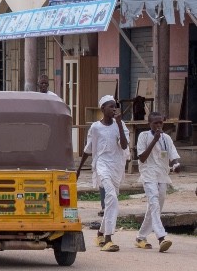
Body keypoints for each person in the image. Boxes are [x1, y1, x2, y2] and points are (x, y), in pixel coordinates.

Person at [77, 95, 130, 252]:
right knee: (112, 197)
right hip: (101, 165)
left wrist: (119, 124)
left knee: (110, 202)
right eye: (110, 106)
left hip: (117, 166)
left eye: (115, 106)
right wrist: (79, 169)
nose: (114, 109)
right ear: (102, 109)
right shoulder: (95, 127)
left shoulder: (121, 125)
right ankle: (108, 238)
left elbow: (124, 145)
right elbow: (88, 149)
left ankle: (100, 233)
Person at [135, 112, 180, 252]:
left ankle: (141, 237)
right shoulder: (143, 136)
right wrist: (154, 140)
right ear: (149, 124)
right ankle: (162, 237)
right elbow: (142, 158)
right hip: (148, 175)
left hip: (162, 176)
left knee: (155, 207)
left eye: (160, 122)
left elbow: (173, 156)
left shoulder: (166, 138)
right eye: (155, 123)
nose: (158, 125)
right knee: (154, 202)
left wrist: (177, 164)